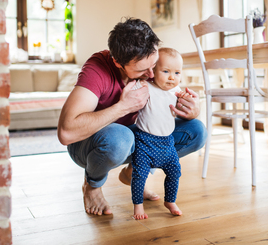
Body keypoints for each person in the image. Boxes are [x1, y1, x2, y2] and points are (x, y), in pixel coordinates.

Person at [57, 17, 207, 216]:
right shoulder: (97, 70)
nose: (152, 75)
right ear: (118, 62)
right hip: (89, 144)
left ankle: (134, 173)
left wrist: (192, 110)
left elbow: (167, 106)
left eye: (154, 65)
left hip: (133, 137)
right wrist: (123, 107)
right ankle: (92, 185)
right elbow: (66, 133)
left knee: (196, 131)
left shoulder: (151, 70)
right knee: (120, 138)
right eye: (143, 70)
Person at [131, 47, 189, 220]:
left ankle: (170, 200)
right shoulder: (145, 86)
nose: (172, 77)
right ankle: (138, 206)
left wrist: (184, 102)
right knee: (140, 174)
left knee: (174, 171)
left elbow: (179, 111)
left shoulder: (176, 92)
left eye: (177, 73)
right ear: (153, 71)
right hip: (145, 141)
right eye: (166, 71)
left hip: (167, 143)